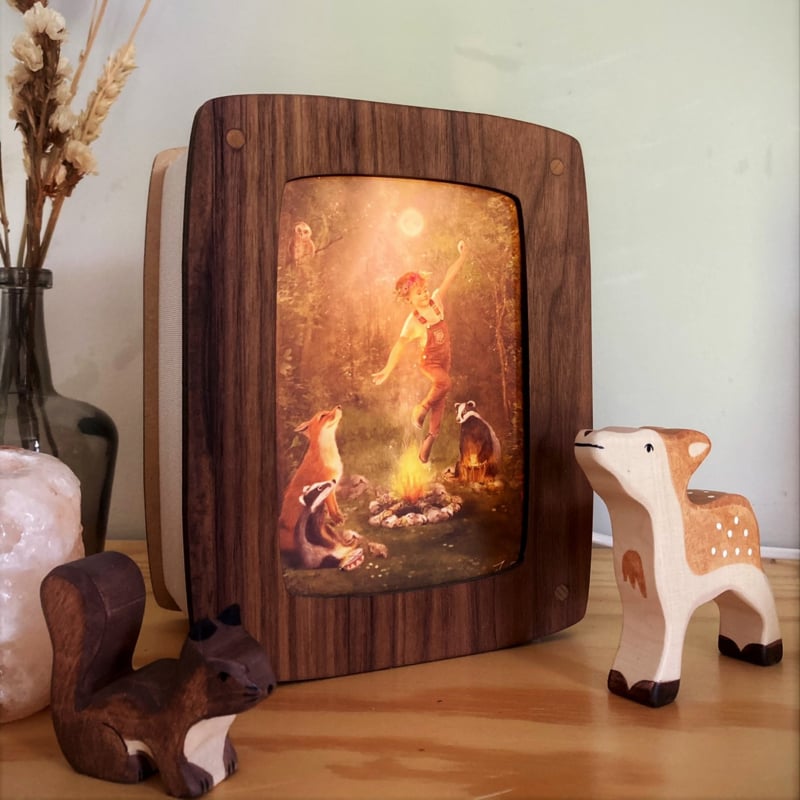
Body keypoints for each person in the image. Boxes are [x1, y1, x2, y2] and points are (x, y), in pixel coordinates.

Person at [372, 240, 468, 463]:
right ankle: (421, 409)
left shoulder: (436, 301)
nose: (424, 295)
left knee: (440, 398)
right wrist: (387, 369)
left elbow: (449, 276)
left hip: (445, 358)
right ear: (409, 300)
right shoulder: (413, 322)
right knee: (444, 383)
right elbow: (399, 345)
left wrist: (462, 257)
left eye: (424, 290)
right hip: (429, 362)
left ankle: (430, 440)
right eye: (418, 293)